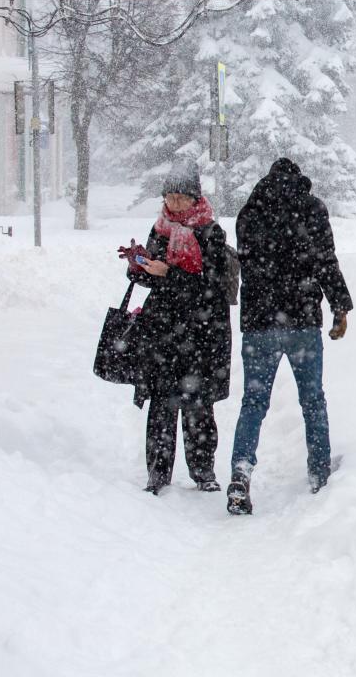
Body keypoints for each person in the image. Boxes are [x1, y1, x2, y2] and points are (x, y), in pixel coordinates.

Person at [227, 157, 353, 516]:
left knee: (253, 403)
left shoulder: (249, 213)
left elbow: (248, 264)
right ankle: (319, 472)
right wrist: (340, 307)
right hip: (302, 320)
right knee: (312, 400)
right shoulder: (312, 209)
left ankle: (241, 471)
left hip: (259, 323)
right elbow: (325, 260)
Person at [124, 172, 231, 495]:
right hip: (163, 330)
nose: (174, 203)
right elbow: (151, 280)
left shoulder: (210, 232)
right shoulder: (160, 229)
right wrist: (138, 266)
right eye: (169, 197)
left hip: (201, 331)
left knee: (199, 404)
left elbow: (212, 286)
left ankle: (203, 471)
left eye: (181, 198)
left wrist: (168, 274)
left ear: (195, 199)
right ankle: (157, 473)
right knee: (162, 403)